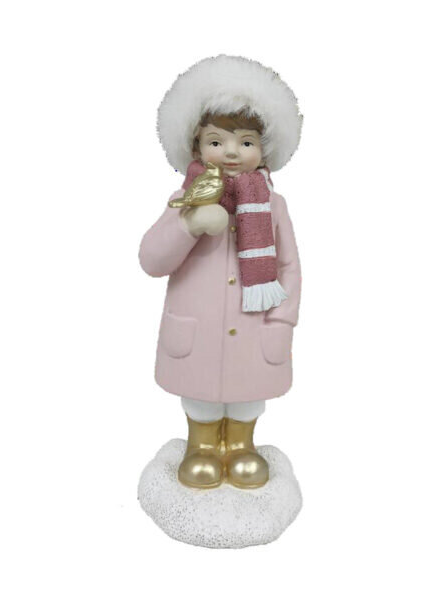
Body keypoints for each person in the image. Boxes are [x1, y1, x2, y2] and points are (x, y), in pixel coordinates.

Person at [139, 55, 303, 490]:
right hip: (198, 333)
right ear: (196, 146)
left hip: (255, 329)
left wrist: (282, 322)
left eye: (246, 142)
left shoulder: (273, 206)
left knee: (248, 397)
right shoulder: (186, 200)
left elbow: (289, 267)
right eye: (217, 140)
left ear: (264, 149)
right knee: (201, 398)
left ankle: (242, 446)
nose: (231, 152)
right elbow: (151, 260)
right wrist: (190, 225)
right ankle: (203, 446)